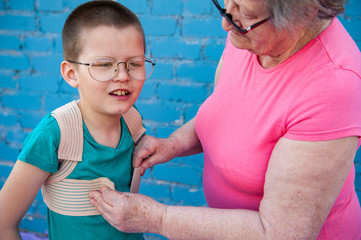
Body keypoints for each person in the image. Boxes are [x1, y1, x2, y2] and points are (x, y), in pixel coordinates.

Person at [89, 0, 361, 239]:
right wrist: (174, 144)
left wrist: (156, 219)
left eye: (245, 14)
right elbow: (225, 115)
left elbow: (280, 233)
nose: (226, 23)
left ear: (302, 14)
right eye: (226, 2)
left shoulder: (333, 85)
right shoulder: (253, 36)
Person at [0, 1, 155, 239]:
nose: (123, 76)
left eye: (135, 64)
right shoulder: (54, 135)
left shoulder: (133, 121)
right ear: (72, 74)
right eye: (104, 65)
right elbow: (4, 223)